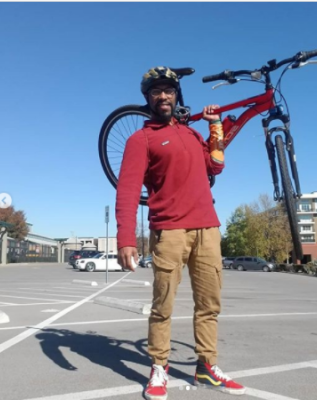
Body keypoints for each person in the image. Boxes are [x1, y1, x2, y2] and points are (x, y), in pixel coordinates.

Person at [116, 66, 246, 400]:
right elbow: (128, 191)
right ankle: (159, 367)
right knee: (163, 305)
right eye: (156, 92)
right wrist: (126, 239)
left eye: (168, 91)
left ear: (177, 96)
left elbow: (216, 165)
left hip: (208, 227)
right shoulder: (140, 139)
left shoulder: (191, 134)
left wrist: (216, 124)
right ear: (147, 99)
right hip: (169, 230)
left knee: (209, 304)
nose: (163, 96)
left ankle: (206, 366)